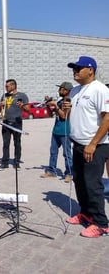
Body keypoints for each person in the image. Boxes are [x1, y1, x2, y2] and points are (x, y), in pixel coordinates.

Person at [65, 56, 109, 238]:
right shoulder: (75, 91)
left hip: (95, 146)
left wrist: (92, 144)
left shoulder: (100, 89)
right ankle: (86, 214)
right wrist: (66, 108)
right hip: (78, 144)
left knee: (92, 185)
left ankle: (101, 224)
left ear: (90, 70)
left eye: (79, 68)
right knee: (80, 182)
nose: (75, 71)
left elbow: (107, 118)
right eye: (73, 68)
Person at [41, 81, 73, 182]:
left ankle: (69, 173)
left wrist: (55, 105)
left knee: (67, 154)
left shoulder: (68, 101)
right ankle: (52, 171)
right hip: (56, 131)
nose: (59, 91)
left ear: (66, 90)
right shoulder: (60, 101)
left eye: (61, 89)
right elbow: (51, 115)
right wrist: (47, 105)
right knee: (53, 152)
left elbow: (64, 116)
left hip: (65, 131)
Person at [0, 79, 30, 171]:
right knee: (5, 144)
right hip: (6, 122)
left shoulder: (22, 96)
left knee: (17, 143)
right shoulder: (4, 96)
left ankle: (16, 162)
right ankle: (4, 163)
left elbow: (28, 109)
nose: (5, 88)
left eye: (7, 86)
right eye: (5, 86)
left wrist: (22, 105)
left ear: (13, 86)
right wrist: (0, 105)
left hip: (17, 123)